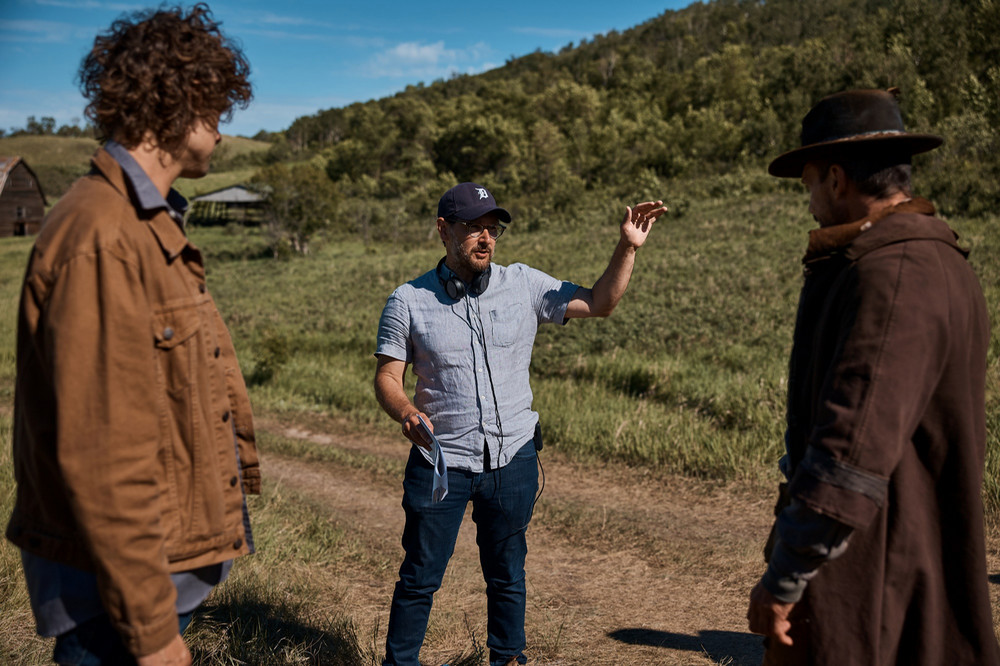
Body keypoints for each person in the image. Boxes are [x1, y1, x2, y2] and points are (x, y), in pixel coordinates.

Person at [5, 5, 258, 665]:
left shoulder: (138, 224)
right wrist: (152, 635)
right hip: (111, 614)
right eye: (215, 111)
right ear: (175, 105)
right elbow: (103, 453)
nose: (222, 135)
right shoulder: (105, 234)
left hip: (124, 594)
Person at [746, 88, 1000, 665]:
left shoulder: (896, 273)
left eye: (809, 184)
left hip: (872, 571)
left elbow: (849, 456)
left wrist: (785, 579)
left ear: (837, 180)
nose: (809, 202)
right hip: (905, 553)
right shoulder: (937, 261)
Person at [374, 182, 666, 666]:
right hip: (441, 462)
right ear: (444, 230)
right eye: (473, 228)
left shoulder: (525, 284)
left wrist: (626, 248)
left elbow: (601, 302)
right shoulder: (408, 300)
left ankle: (507, 658)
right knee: (420, 576)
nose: (486, 238)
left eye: (493, 228)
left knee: (507, 573)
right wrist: (406, 411)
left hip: (513, 459)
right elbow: (387, 375)